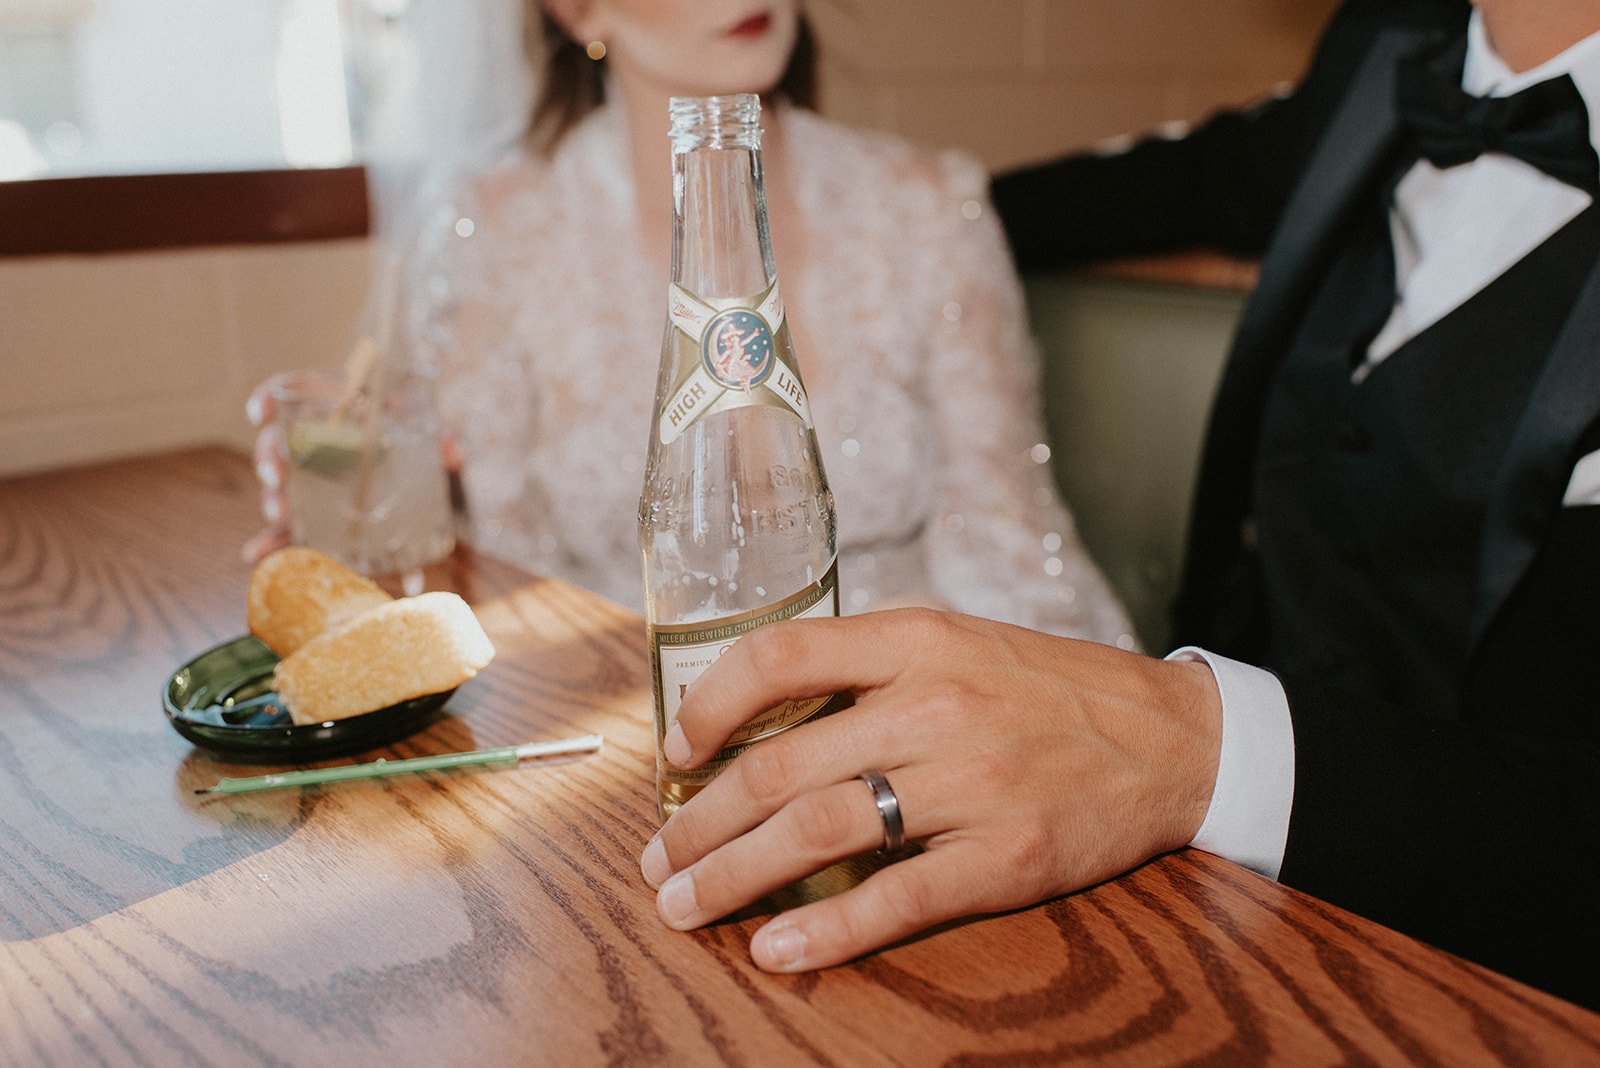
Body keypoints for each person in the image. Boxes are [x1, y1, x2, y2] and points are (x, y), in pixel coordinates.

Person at [639, 0, 1600, 1010]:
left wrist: (1199, 748)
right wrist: (910, 222)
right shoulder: (1388, 48)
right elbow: (1173, 184)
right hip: (1219, 912)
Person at [247, 0, 1134, 646]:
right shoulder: (494, 232)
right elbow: (508, 580)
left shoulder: (928, 205)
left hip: (901, 711)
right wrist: (383, 504)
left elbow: (1015, 550)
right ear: (575, 8)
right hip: (625, 732)